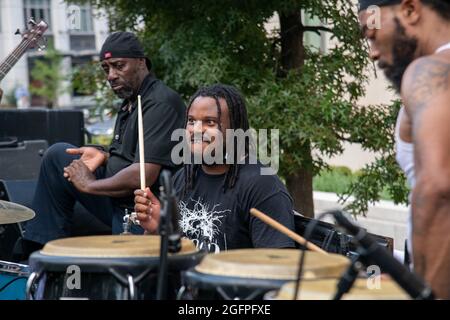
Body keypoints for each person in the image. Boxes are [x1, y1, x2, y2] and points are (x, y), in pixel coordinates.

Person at [20, 32, 186, 257]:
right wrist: (103, 154)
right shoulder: (130, 101)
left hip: (141, 212)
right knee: (56, 156)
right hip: (116, 201)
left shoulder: (159, 103)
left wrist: (88, 185)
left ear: (141, 62)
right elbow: (128, 154)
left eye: (119, 66)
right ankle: (39, 258)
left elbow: (143, 173)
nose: (111, 75)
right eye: (106, 68)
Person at [358, 0, 450, 298]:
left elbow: (438, 189)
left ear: (410, 10)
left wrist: (424, 291)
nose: (372, 52)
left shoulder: (429, 72)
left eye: (371, 34)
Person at [134, 84, 296, 252]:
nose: (196, 130)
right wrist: (156, 229)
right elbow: (167, 257)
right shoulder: (183, 177)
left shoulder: (262, 185)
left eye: (210, 122)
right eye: (191, 121)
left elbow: (278, 266)